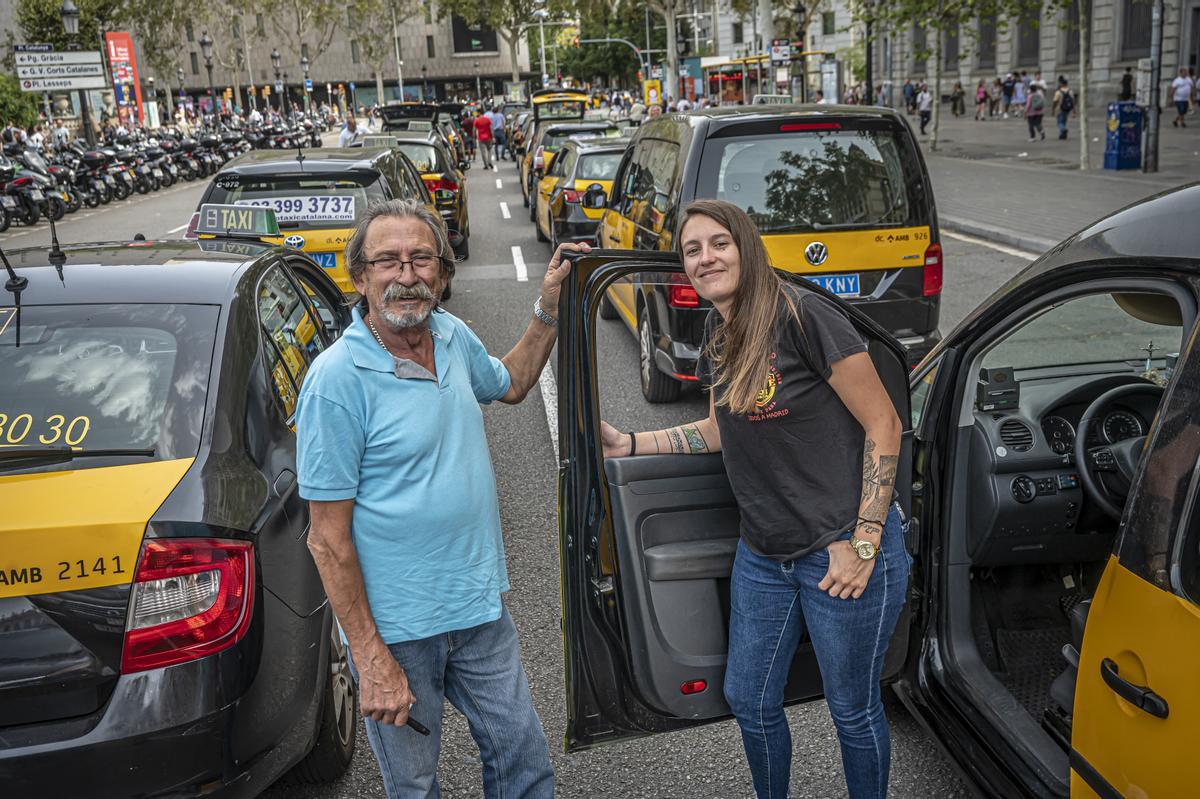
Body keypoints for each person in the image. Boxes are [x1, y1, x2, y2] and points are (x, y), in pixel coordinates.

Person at [600, 199, 910, 799]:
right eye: (692, 250)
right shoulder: (719, 327)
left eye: (719, 243)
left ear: (746, 245)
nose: (705, 258)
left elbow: (884, 426)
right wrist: (630, 442)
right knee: (750, 696)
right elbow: (717, 430)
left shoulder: (804, 316)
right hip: (765, 552)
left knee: (851, 708)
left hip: (839, 550)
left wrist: (866, 541)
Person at [298, 199, 589, 799]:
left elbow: (510, 383)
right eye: (388, 261)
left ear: (442, 271)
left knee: (523, 759)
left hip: (479, 609)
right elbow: (327, 538)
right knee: (416, 786)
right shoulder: (336, 381)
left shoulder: (449, 335)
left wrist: (549, 306)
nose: (407, 275)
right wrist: (370, 657)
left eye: (421, 258)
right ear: (360, 277)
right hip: (398, 630)